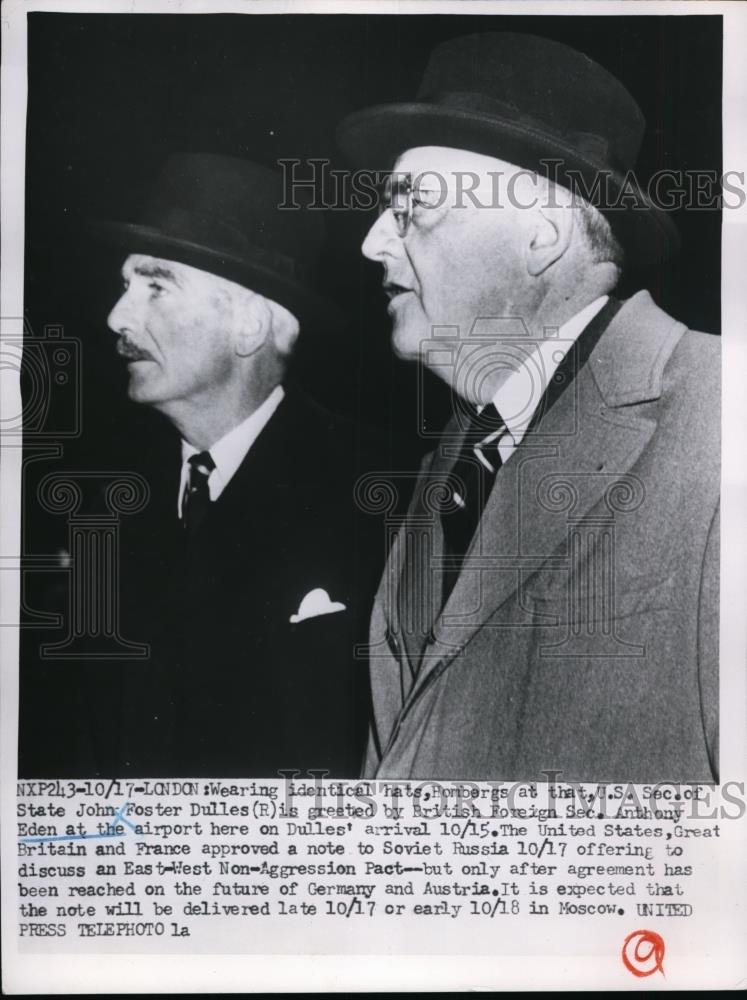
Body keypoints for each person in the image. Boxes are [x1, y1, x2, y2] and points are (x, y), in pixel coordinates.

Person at [337, 32, 719, 782]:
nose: (371, 242)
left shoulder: (720, 410)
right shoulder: (452, 459)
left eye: (409, 206)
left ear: (540, 235)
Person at [21, 153, 383, 778]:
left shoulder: (378, 492)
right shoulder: (101, 499)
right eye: (125, 283)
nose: (117, 316)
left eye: (156, 285)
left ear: (248, 325)